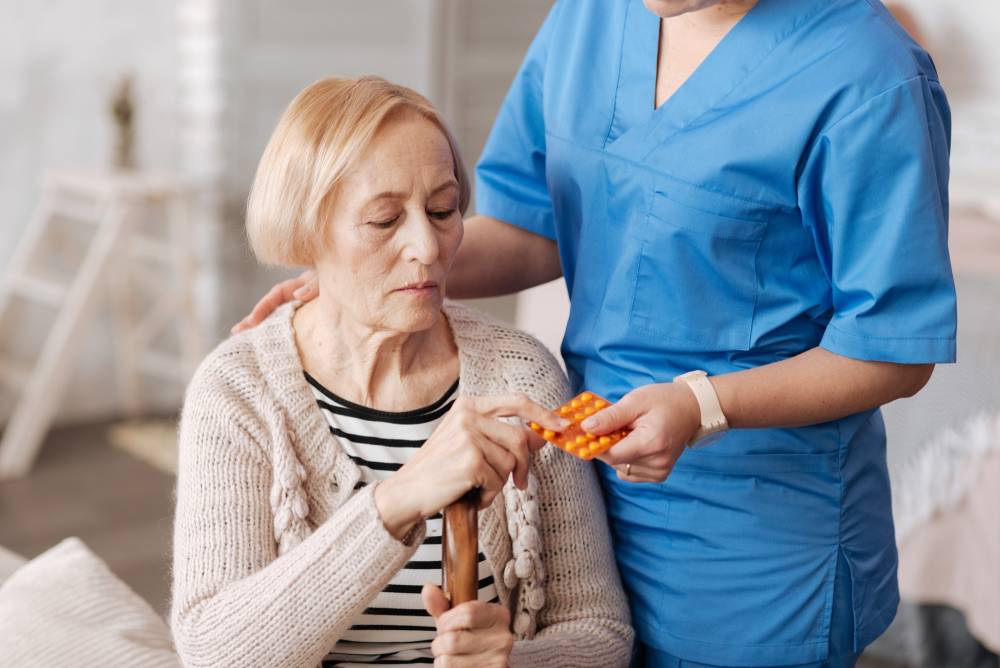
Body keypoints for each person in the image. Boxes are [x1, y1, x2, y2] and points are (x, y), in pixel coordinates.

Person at [235, 1, 957, 666]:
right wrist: (365, 278)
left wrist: (702, 405)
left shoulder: (867, 73)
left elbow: (892, 345)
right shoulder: (592, 17)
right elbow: (530, 227)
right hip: (585, 504)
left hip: (754, 550)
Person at [171, 75, 633, 668]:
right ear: (308, 228)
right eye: (385, 220)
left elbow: (600, 633)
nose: (429, 246)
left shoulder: (523, 378)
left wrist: (515, 661)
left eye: (443, 210)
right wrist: (397, 500)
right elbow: (214, 653)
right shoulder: (237, 392)